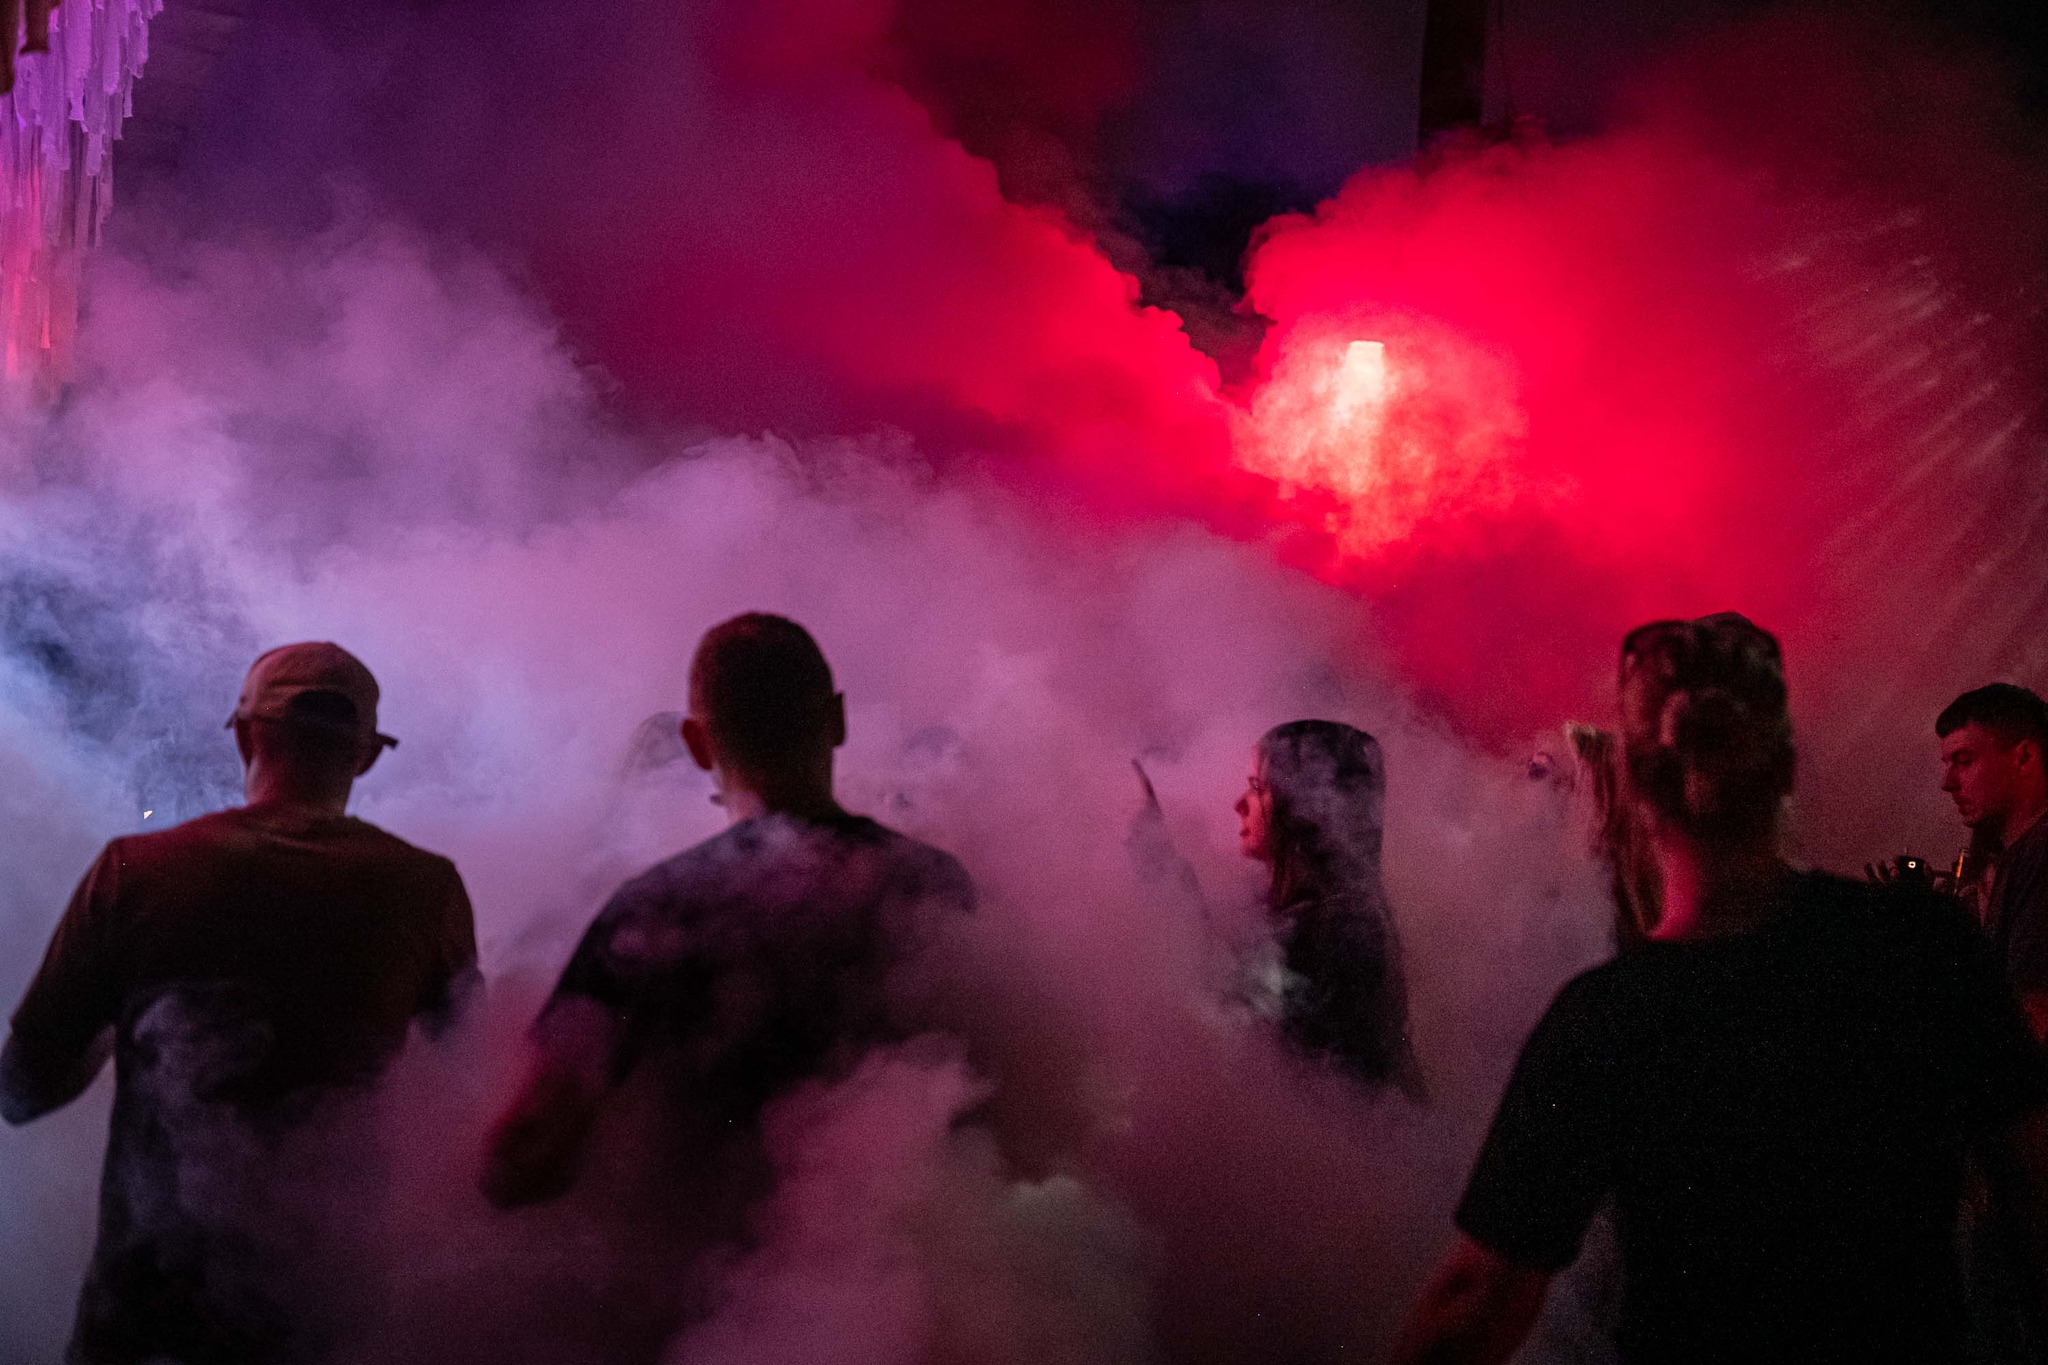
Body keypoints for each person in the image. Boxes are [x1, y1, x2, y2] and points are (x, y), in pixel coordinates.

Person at [1392, 613, 2048, 1365]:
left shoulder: (1605, 1019)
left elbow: (1480, 1299)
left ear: (1636, 786)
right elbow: (2037, 1186)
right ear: (1787, 766)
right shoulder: (1924, 945)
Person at [1, 642, 479, 1365]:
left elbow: (20, 1091)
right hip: (333, 1325)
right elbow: (471, 1096)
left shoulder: (133, 872)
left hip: (144, 1326)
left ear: (248, 736)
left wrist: (118, 1026)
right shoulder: (426, 891)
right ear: (365, 757)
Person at [479, 613, 975, 1221]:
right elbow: (996, 1103)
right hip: (907, 1263)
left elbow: (527, 1160)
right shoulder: (935, 887)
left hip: (703, 1269)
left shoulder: (652, 914)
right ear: (837, 719)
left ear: (696, 743)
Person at [1233, 719, 1425, 1098]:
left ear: (1304, 808)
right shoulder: (1355, 913)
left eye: (1257, 788)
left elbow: (1234, 1045)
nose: (1239, 804)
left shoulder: (1317, 931)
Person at [1938, 684, 2048, 1038]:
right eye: (1947, 764)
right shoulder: (2004, 858)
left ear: (2024, 757)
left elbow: (2034, 1016)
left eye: (1964, 761)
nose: (1947, 783)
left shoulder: (2041, 854)